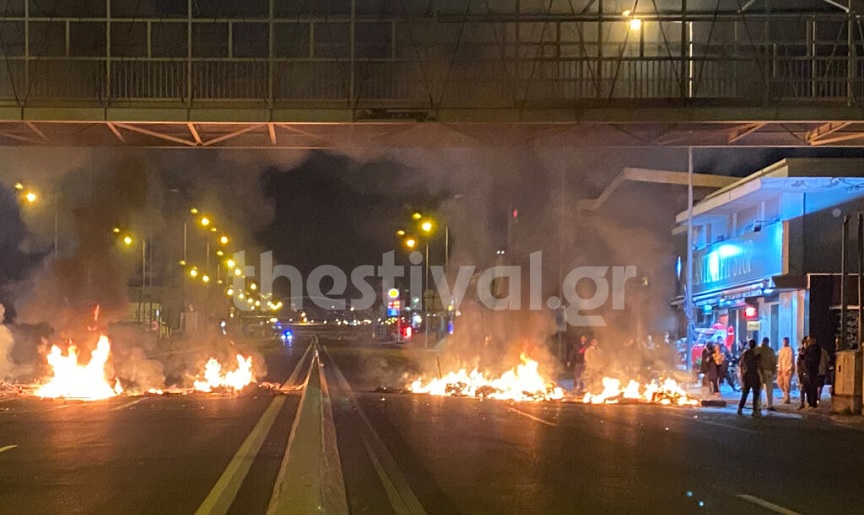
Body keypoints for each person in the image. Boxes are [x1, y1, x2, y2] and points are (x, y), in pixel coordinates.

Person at [738, 339, 762, 416]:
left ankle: (740, 408)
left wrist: (742, 375)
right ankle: (754, 410)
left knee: (745, 393)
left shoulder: (745, 354)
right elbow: (759, 365)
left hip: (747, 375)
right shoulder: (757, 354)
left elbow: (741, 365)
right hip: (754, 375)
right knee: (755, 394)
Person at [758, 337, 777, 411]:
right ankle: (769, 405)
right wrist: (774, 371)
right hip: (768, 371)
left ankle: (758, 406)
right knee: (769, 389)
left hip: (759, 371)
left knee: (759, 389)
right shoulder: (770, 351)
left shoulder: (757, 350)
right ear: (768, 342)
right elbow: (774, 362)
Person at [803, 336, 821, 408]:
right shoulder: (808, 348)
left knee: (812, 386)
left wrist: (806, 354)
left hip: (812, 371)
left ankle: (812, 402)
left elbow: (813, 359)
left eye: (809, 340)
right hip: (807, 371)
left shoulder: (816, 349)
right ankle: (809, 401)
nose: (808, 342)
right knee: (808, 387)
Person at [777, 337, 795, 404]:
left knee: (787, 384)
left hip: (788, 369)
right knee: (780, 382)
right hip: (782, 369)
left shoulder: (790, 349)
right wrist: (779, 369)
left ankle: (787, 398)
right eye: (784, 341)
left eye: (786, 341)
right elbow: (780, 360)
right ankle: (785, 394)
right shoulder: (781, 350)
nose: (784, 342)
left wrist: (788, 369)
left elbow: (790, 360)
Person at [796, 338, 809, 410]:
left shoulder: (811, 352)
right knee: (802, 389)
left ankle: (810, 403)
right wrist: (799, 372)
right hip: (802, 373)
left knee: (809, 389)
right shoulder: (801, 353)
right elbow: (798, 363)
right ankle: (802, 403)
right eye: (805, 343)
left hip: (809, 373)